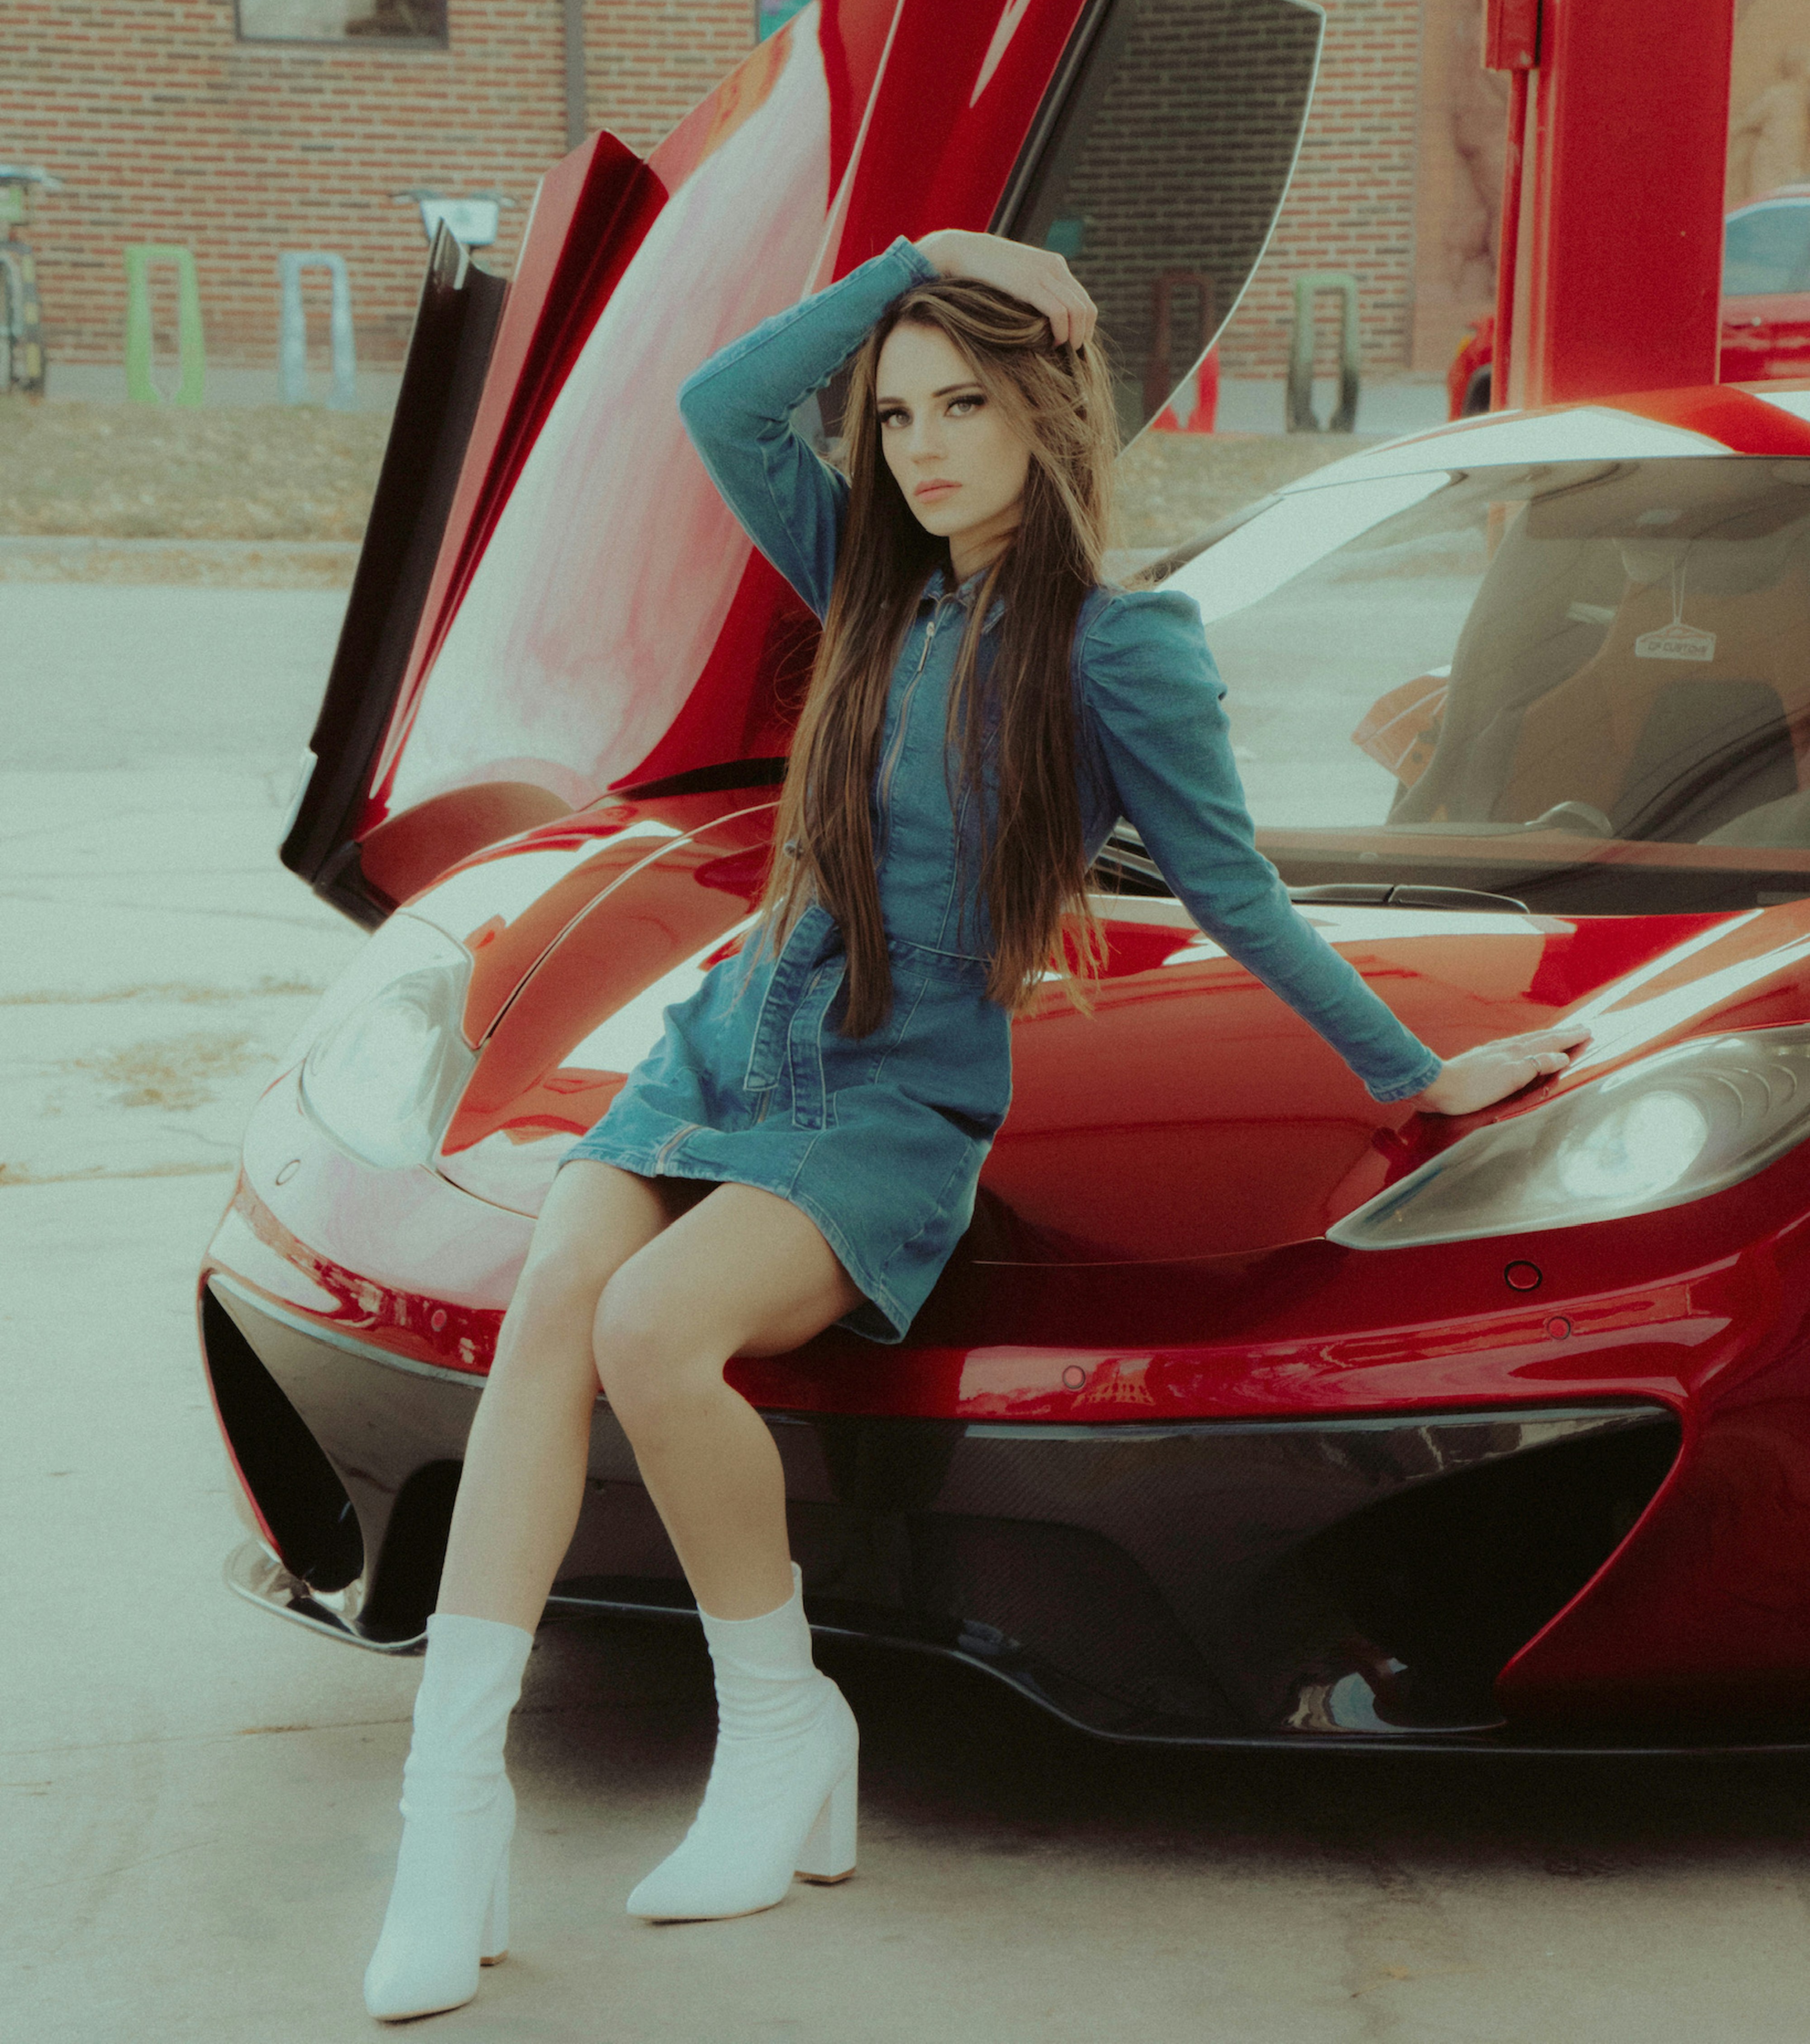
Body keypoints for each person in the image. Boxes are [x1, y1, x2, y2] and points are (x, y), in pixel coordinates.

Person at [361, 230, 1589, 2020]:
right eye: (896, 413)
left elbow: (1233, 893)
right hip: (721, 1044)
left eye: (964, 406)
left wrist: (1412, 1070)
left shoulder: (1120, 646)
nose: (921, 447)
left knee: (650, 1329)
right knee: (553, 1315)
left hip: (888, 1093)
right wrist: (921, 260)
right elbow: (722, 404)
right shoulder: (872, 583)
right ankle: (445, 1820)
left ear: (1045, 416)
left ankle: (782, 1726)